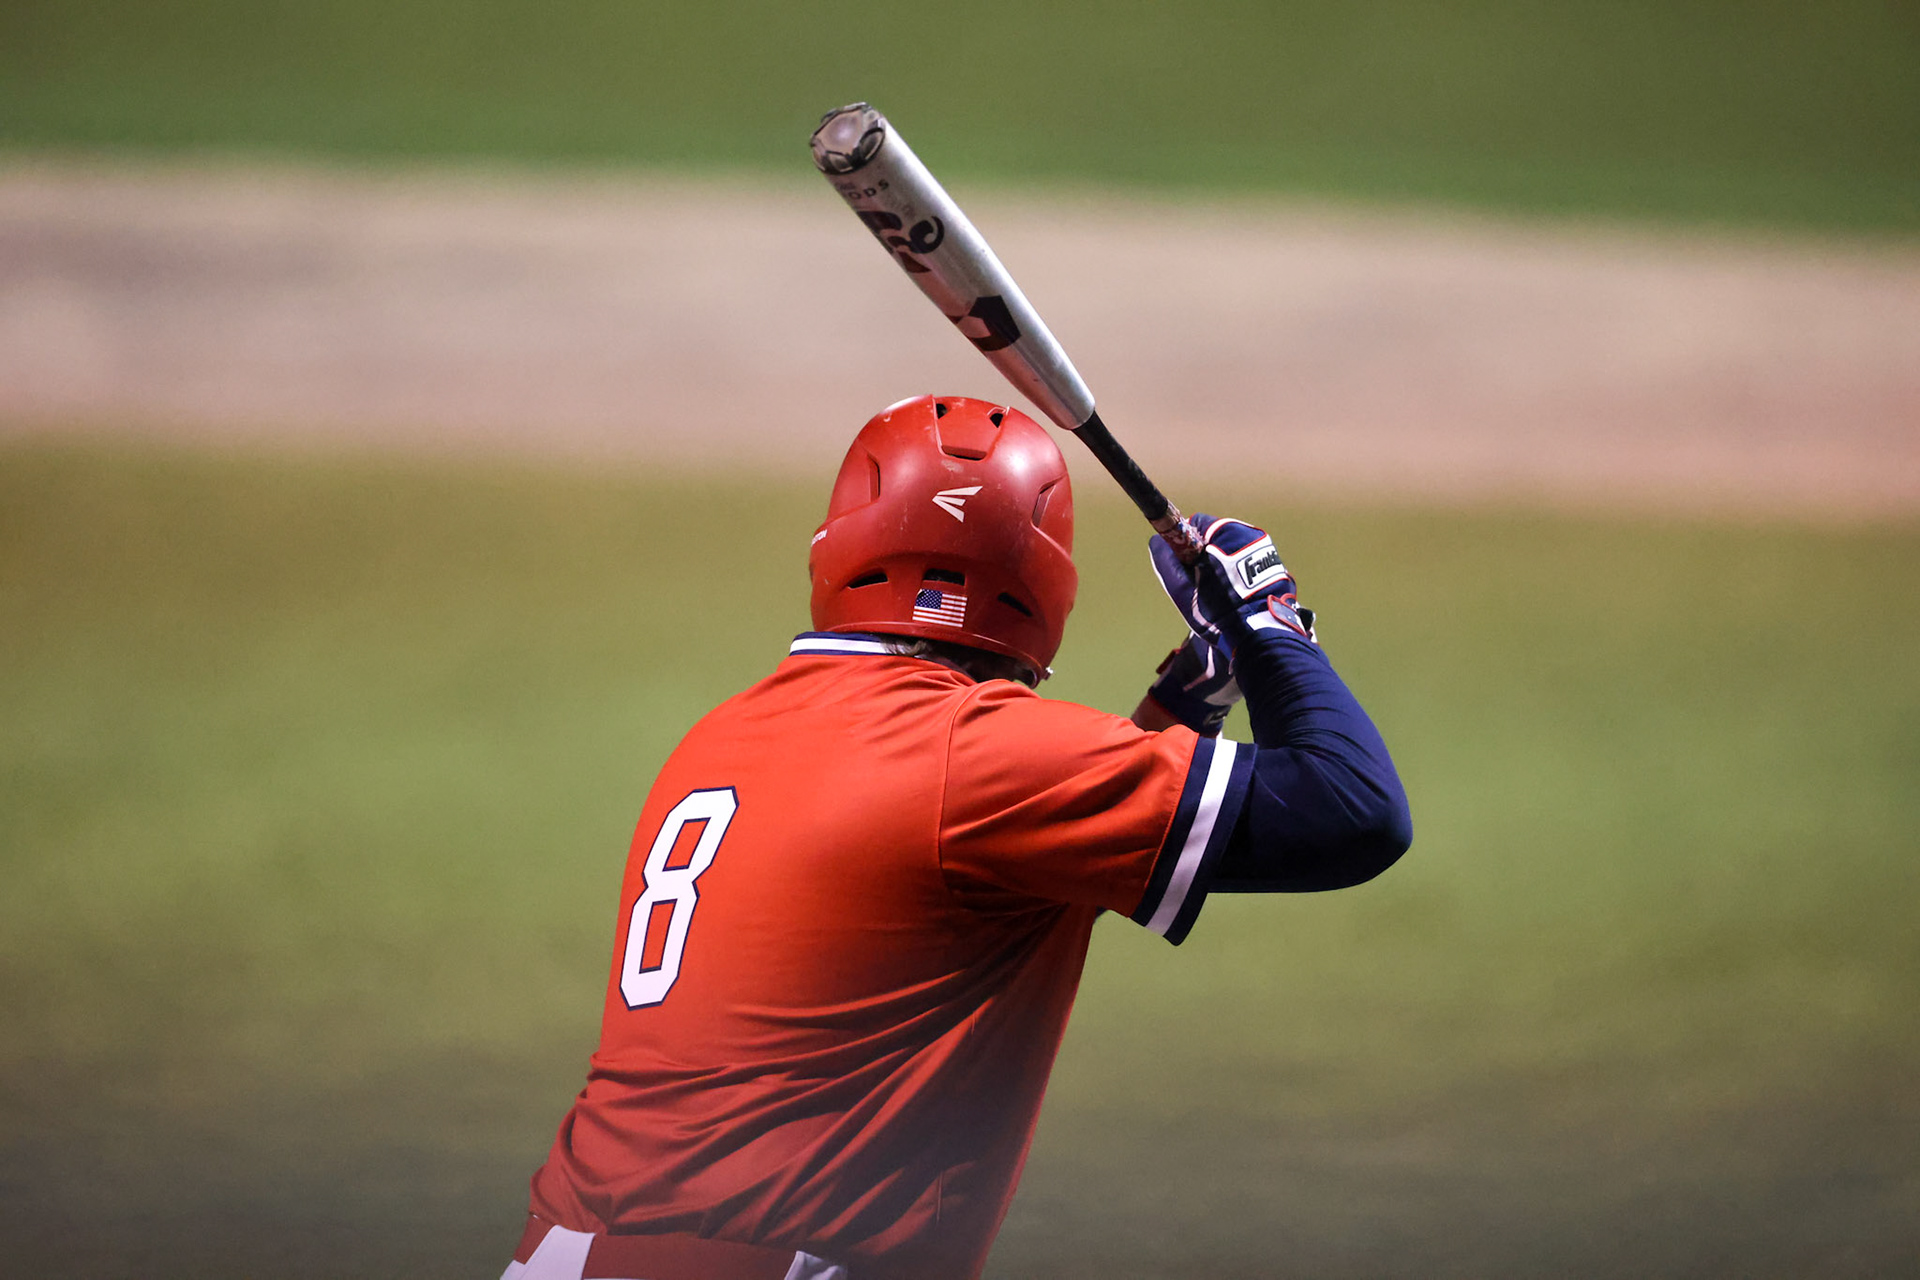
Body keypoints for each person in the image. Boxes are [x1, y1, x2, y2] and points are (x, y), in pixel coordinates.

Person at [502, 394, 1411, 1280]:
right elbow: (1352, 808)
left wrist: (1190, 698)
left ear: (841, 544)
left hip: (569, 1251)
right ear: (1043, 578)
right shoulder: (972, 757)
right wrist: (1268, 623)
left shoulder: (730, 732)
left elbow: (1008, 860)